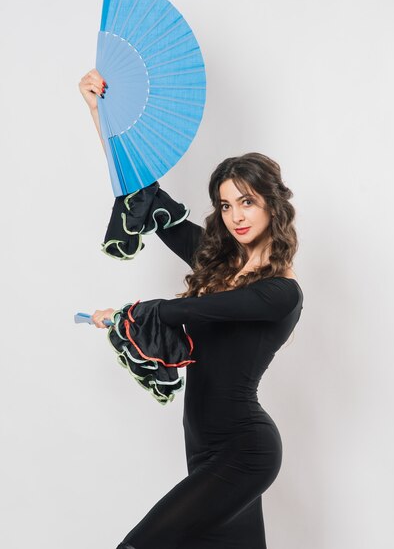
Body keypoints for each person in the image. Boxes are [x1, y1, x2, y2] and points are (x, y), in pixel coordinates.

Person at [79, 69, 304, 549]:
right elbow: (145, 197)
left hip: (244, 452)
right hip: (203, 449)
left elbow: (192, 314)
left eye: (246, 201)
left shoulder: (281, 293)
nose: (236, 216)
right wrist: (101, 113)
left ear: (272, 205)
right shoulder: (219, 267)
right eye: (225, 206)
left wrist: (127, 316)